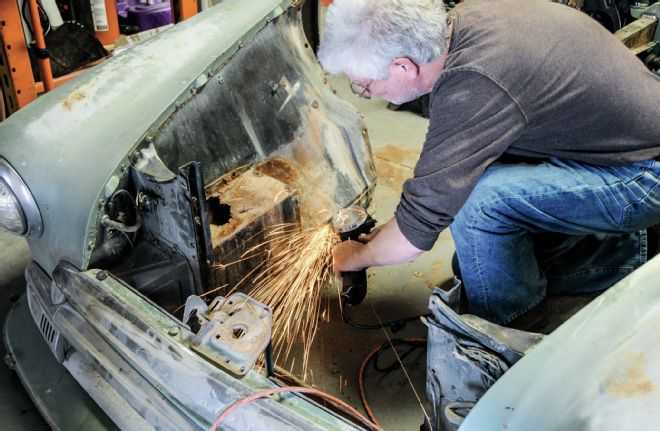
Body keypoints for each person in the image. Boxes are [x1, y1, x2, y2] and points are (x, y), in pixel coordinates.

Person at [319, 0, 660, 324]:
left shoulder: (474, 83)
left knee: (479, 205)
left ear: (403, 67)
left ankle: (512, 320)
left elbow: (417, 230)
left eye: (364, 86)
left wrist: (357, 257)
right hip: (618, 147)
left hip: (643, 177)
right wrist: (380, 239)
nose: (367, 93)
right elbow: (436, 188)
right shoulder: (466, 22)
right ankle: (627, 253)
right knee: (478, 260)